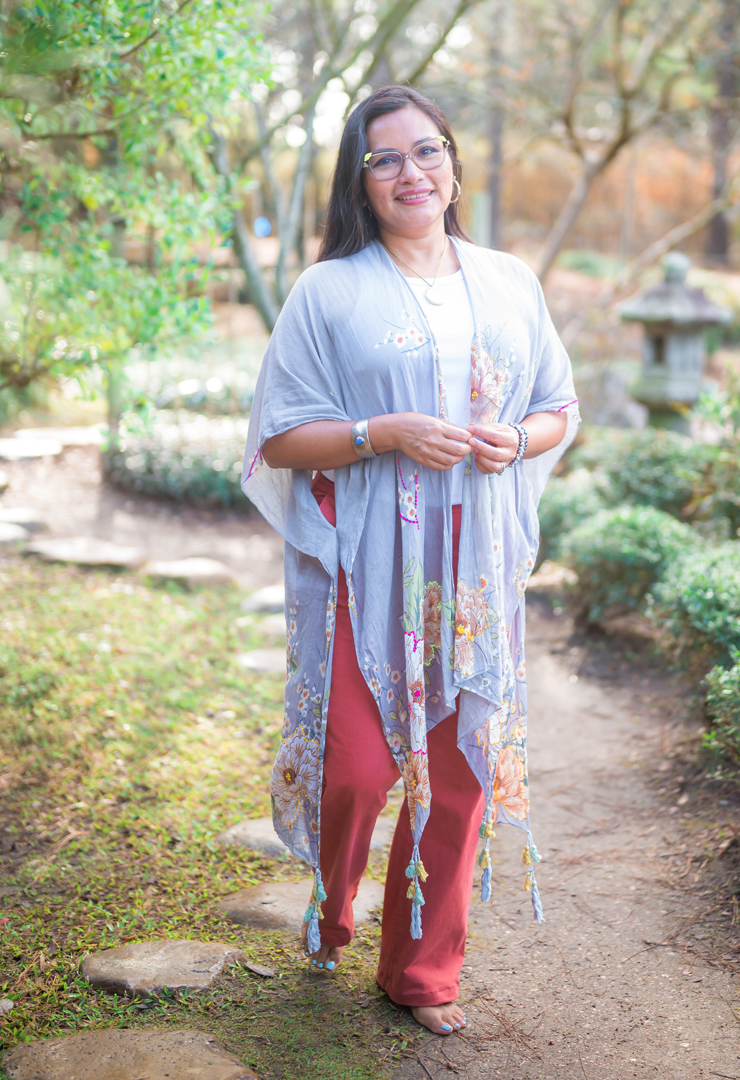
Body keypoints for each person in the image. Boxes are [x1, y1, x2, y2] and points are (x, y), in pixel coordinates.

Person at [241, 85, 579, 1036]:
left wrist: (518, 440)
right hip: (373, 565)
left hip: (475, 569)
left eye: (425, 151)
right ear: (360, 181)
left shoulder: (509, 279)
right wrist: (374, 431)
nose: (410, 173)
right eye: (384, 159)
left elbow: (558, 406)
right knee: (354, 766)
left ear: (454, 164)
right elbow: (279, 438)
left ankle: (422, 973)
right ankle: (332, 901)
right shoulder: (330, 291)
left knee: (460, 772)